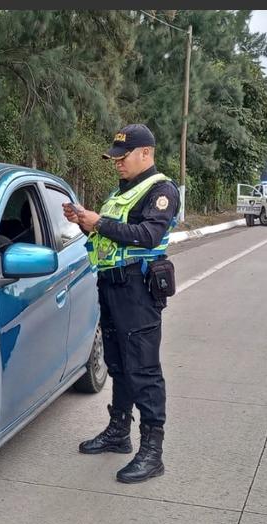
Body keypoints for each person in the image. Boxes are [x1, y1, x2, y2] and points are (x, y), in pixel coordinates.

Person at [62, 123, 179, 484]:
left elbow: (148, 235)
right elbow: (108, 236)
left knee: (143, 368)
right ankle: (118, 431)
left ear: (146, 153)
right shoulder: (121, 192)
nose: (117, 164)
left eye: (122, 157)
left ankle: (152, 450)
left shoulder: (161, 191)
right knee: (118, 363)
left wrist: (100, 223)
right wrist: (85, 223)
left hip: (138, 289)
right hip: (111, 286)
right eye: (114, 158)